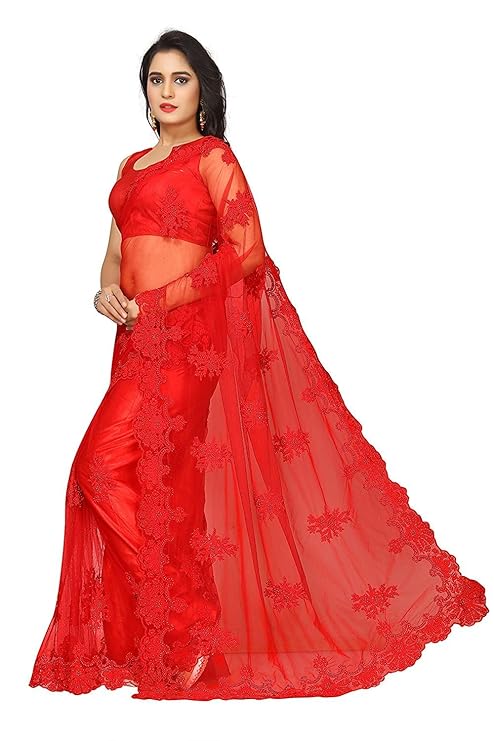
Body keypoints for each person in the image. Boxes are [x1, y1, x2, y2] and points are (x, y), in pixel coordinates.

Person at [29, 29, 488, 701]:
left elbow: (246, 250)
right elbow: (115, 252)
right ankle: (172, 641)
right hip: (134, 344)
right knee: (153, 484)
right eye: (156, 79)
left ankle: (187, 622)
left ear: (203, 90)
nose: (166, 91)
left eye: (180, 78)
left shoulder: (213, 158)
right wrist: (107, 292)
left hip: (187, 344)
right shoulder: (129, 168)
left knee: (99, 466)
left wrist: (160, 301)